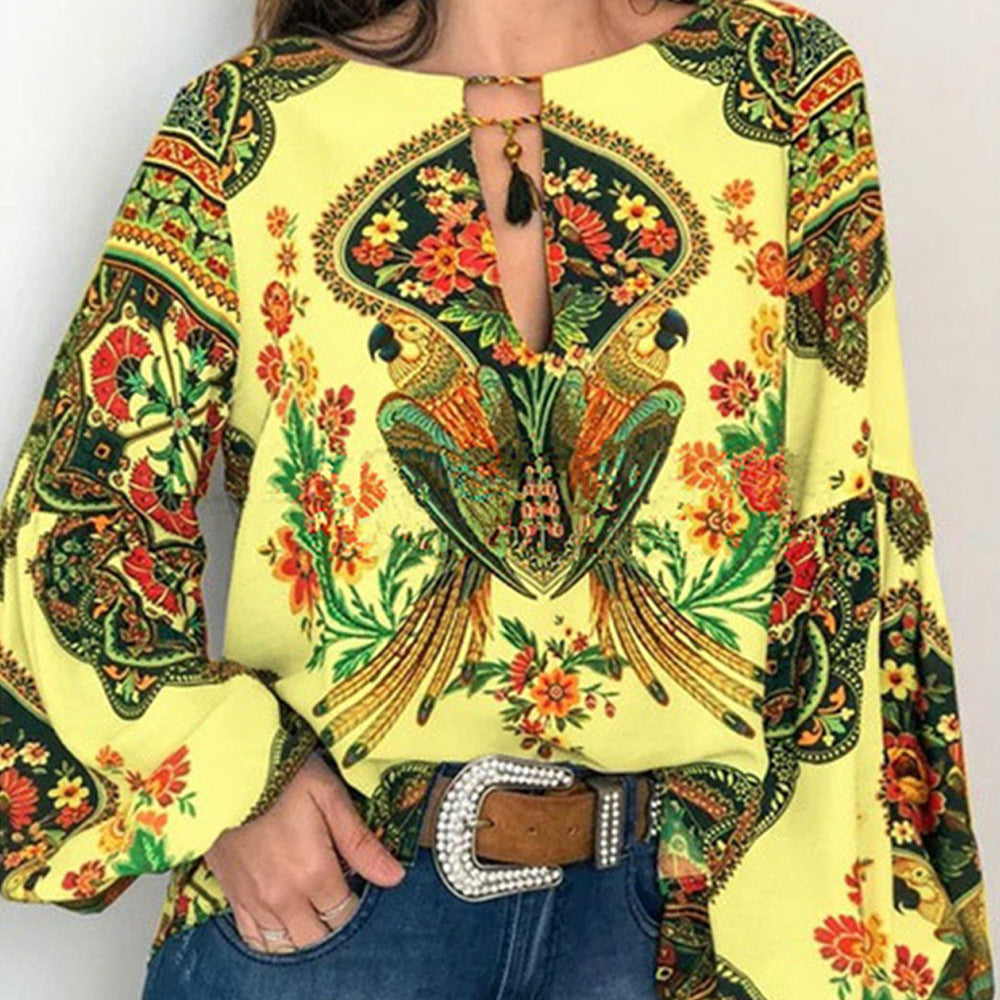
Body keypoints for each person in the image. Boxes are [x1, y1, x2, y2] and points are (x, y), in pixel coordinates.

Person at [0, 0, 994, 997]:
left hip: (689, 919)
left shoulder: (781, 88)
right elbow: (76, 522)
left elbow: (854, 537)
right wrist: (227, 790)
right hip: (333, 918)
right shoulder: (243, 129)